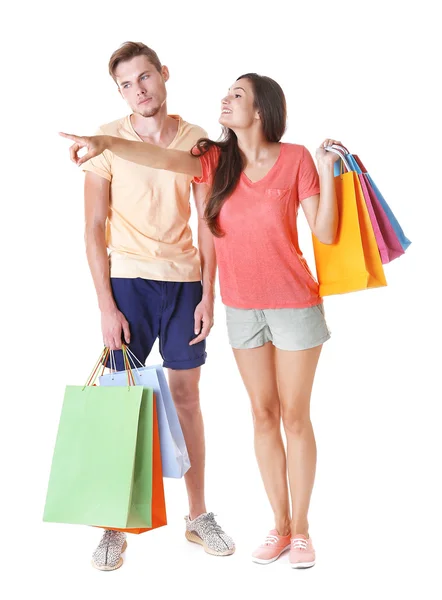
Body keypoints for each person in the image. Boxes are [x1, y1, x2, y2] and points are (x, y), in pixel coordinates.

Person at [61, 72, 341, 569]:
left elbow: (323, 231)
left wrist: (327, 170)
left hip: (291, 303)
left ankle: (298, 531)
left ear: (260, 112)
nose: (225, 99)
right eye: (226, 91)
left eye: (237, 95)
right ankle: (272, 526)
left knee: (292, 417)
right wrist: (105, 143)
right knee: (255, 414)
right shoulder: (216, 158)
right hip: (234, 307)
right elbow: (157, 159)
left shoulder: (294, 157)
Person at [73, 41, 235, 571]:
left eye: (145, 77)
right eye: (126, 84)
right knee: (123, 402)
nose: (138, 89)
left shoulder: (196, 143)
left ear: (164, 75)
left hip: (185, 282)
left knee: (186, 396)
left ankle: (198, 515)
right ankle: (113, 527)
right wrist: (106, 305)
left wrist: (209, 292)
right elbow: (93, 228)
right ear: (119, 91)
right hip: (128, 285)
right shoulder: (107, 141)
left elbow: (209, 223)